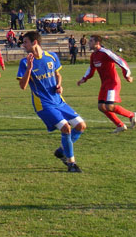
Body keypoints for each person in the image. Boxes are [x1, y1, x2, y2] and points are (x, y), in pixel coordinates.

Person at [17, 31, 86, 173]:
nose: (23, 45)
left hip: (58, 101)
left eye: (25, 42)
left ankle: (62, 150)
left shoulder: (52, 57)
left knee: (80, 125)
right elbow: (23, 86)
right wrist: (29, 69)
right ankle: (71, 163)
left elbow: (58, 75)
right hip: (43, 105)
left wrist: (59, 85)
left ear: (34, 42)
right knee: (66, 128)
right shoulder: (25, 62)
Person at [77, 35, 136, 133]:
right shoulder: (94, 56)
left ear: (97, 43)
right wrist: (84, 79)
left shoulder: (105, 53)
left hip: (113, 83)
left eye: (91, 41)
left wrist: (127, 75)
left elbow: (120, 61)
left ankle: (132, 115)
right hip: (104, 84)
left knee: (109, 106)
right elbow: (91, 69)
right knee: (101, 107)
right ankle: (120, 125)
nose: (89, 43)